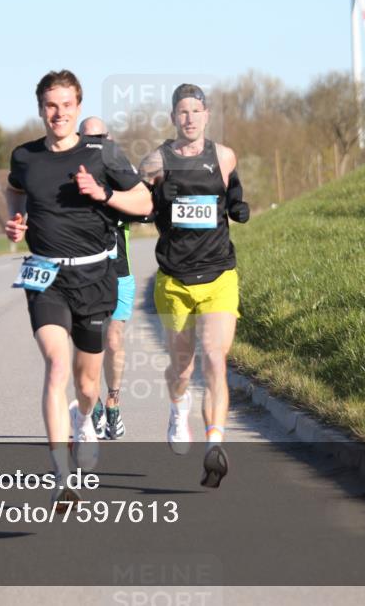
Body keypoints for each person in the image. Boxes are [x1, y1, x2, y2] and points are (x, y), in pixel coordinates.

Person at [5, 71, 152, 505]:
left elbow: (144, 203)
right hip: (44, 274)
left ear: (78, 107)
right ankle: (61, 474)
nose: (59, 113)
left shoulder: (102, 153)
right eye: (51, 105)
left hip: (93, 275)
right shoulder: (25, 156)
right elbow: (12, 190)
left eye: (67, 105)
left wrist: (103, 194)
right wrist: (15, 221)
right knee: (56, 366)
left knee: (87, 385)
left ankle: (85, 420)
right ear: (40, 109)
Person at [139, 84, 249, 488]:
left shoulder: (223, 156)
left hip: (219, 275)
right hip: (174, 280)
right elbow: (137, 201)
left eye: (196, 110)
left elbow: (231, 187)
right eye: (181, 111)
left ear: (206, 115)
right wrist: (146, 205)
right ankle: (177, 405)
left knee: (215, 359)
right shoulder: (155, 161)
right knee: (182, 368)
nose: (189, 117)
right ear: (173, 118)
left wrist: (237, 203)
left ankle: (214, 444)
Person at [79, 116, 131, 440]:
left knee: (113, 341)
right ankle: (93, 404)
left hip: (119, 271)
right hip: (84, 277)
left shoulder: (121, 174)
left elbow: (144, 205)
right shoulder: (72, 178)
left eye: (99, 138)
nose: (94, 143)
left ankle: (113, 401)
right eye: (87, 139)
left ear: (108, 138)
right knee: (89, 346)